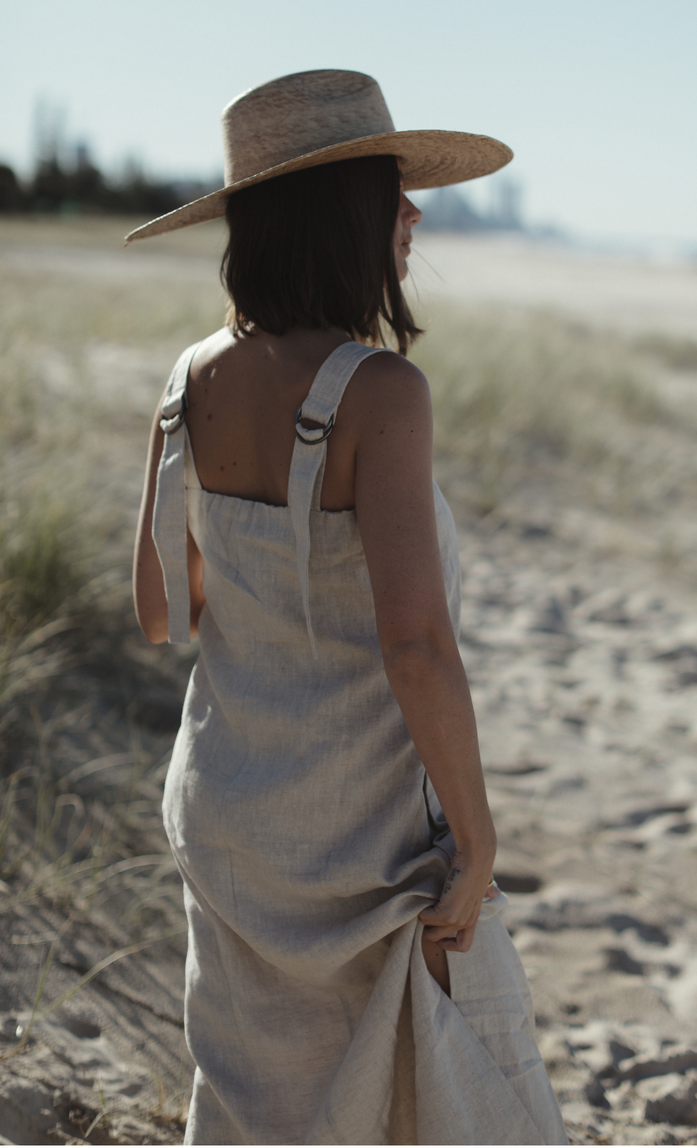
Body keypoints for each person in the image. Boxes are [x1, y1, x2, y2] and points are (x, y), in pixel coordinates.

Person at [129, 70, 567, 1146]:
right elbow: (414, 643)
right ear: (342, 218)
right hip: (354, 838)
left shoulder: (189, 379)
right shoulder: (378, 393)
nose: (412, 215)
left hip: (231, 814)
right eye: (391, 193)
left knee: (256, 1098)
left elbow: (159, 609)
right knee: (433, 1102)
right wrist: (475, 839)